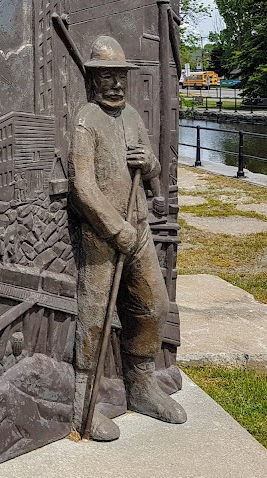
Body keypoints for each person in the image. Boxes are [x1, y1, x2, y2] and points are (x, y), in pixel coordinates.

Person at [68, 36, 186, 442]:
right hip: (103, 235)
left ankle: (140, 383)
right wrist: (114, 228)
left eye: (120, 77)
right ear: (94, 81)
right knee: (95, 313)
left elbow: (153, 177)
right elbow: (82, 186)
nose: (116, 85)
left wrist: (150, 165)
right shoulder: (87, 120)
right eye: (107, 78)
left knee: (154, 305)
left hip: (138, 230)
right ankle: (84, 400)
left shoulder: (133, 117)